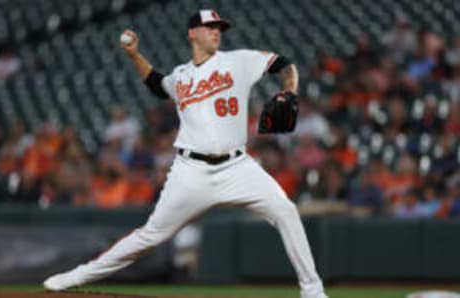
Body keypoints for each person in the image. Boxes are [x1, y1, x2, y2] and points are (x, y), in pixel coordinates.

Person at [43, 9, 328, 298]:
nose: (216, 31)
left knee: (286, 211)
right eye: (209, 27)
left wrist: (290, 90)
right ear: (192, 33)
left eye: (219, 27)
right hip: (191, 172)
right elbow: (157, 84)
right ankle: (75, 277)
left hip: (238, 166)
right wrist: (134, 55)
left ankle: (313, 292)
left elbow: (284, 63)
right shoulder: (181, 76)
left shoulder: (238, 60)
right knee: (150, 236)